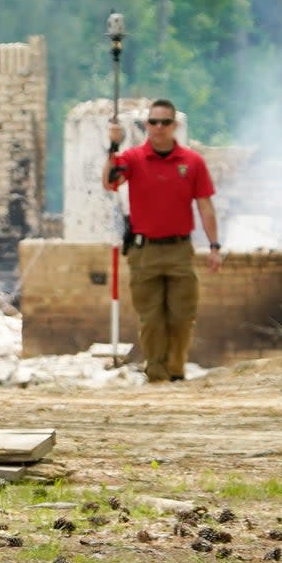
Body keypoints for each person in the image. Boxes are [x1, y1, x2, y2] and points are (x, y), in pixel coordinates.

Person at [104, 99, 222, 383]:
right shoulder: (132, 159)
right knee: (151, 319)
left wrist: (214, 246)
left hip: (179, 249)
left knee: (182, 316)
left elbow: (205, 205)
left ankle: (176, 369)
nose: (159, 128)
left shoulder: (192, 162)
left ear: (174, 126)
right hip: (145, 252)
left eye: (165, 122)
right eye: (153, 122)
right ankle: (156, 374)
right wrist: (112, 147)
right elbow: (110, 182)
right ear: (147, 125)